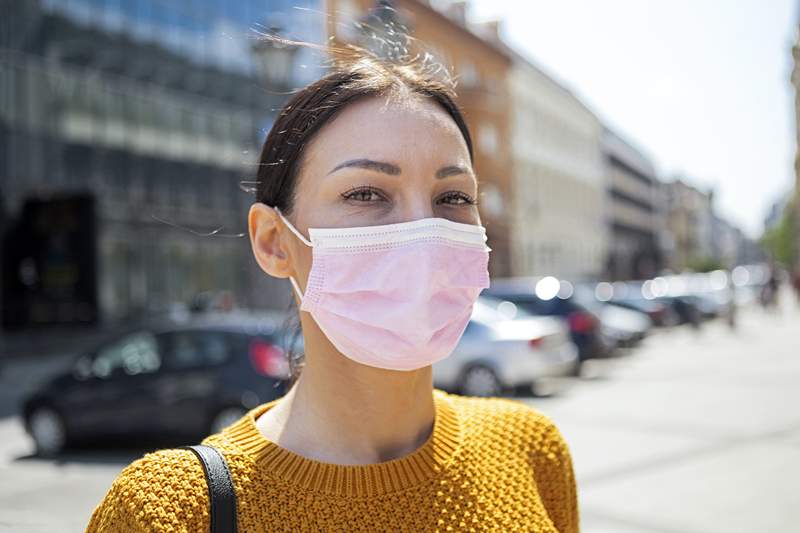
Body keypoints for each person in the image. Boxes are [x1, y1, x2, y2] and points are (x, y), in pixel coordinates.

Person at [86, 39, 579, 533]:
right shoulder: (167, 511)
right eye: (365, 192)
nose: (422, 231)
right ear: (274, 242)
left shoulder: (530, 448)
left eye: (453, 196)